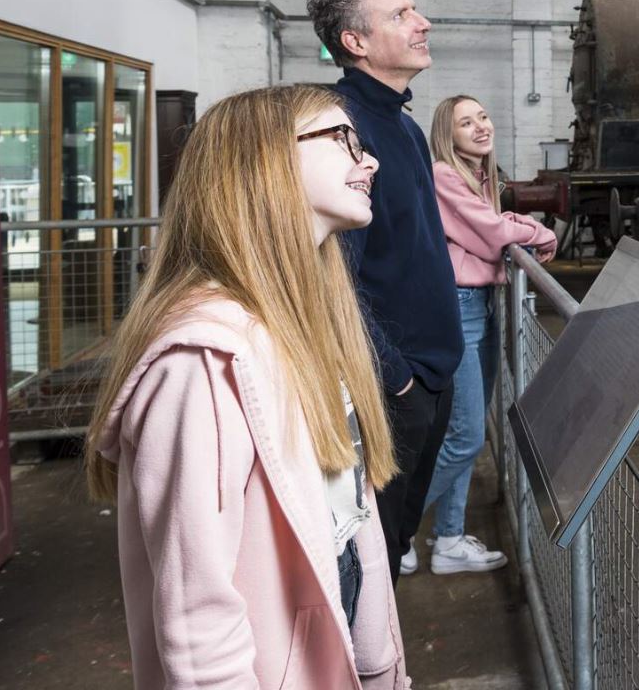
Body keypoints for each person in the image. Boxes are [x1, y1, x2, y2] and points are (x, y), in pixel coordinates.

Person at [84, 85, 410, 688]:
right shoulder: (200, 361)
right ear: (261, 161)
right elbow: (198, 620)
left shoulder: (302, 318)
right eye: (341, 140)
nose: (369, 160)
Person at [308, 0, 463, 582]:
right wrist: (395, 379)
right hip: (392, 388)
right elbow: (330, 280)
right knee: (369, 559)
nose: (421, 22)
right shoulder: (340, 128)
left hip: (428, 374)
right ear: (356, 42)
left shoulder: (403, 127)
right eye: (400, 15)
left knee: (394, 543)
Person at [408, 96, 557, 575]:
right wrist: (535, 229)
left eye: (483, 117)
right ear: (447, 135)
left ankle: (449, 538)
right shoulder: (444, 175)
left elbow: (491, 230)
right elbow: (492, 235)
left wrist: (513, 227)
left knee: (467, 431)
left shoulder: (481, 178)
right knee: (467, 436)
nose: (479, 127)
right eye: (465, 123)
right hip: (459, 309)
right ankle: (393, 530)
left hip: (480, 306)